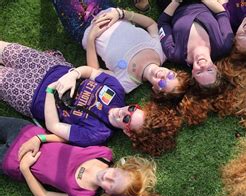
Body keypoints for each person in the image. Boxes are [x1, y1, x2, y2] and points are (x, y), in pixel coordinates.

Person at [0, 41, 142, 146]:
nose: (124, 113)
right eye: (131, 109)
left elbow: (54, 126)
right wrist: (74, 74)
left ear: (127, 132)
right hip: (50, 66)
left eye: (127, 120)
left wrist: (50, 91)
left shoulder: (97, 134)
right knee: (5, 50)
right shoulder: (116, 91)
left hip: (32, 95)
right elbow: (91, 71)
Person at [0, 116, 156, 196]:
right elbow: (70, 138)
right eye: (114, 174)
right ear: (119, 168)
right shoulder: (103, 154)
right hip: (27, 133)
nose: (107, 177)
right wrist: (39, 138)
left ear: (110, 193)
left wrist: (25, 168)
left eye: (112, 184)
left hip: (12, 161)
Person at [52, 0, 189, 97]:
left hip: (83, 27)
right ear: (172, 71)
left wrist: (91, 39)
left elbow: (94, 71)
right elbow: (152, 25)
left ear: (156, 90)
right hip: (106, 8)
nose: (163, 76)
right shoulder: (161, 52)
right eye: (171, 75)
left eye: (163, 83)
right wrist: (121, 14)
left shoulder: (125, 84)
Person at [158, 0, 234, 88]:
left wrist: (176, 2)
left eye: (199, 72)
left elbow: (162, 22)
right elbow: (221, 13)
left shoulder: (175, 54)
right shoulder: (224, 45)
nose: (203, 66)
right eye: (209, 70)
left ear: (193, 74)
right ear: (215, 68)